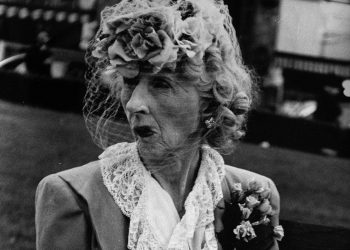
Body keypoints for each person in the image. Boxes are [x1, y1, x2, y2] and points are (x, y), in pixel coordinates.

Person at [35, 0, 284, 249]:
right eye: (130, 83)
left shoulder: (255, 196)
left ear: (210, 102)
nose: (134, 104)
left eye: (161, 84)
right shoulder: (72, 197)